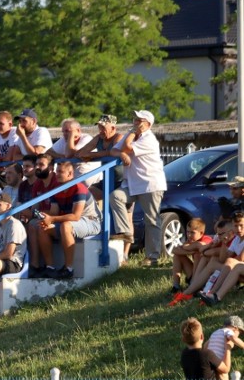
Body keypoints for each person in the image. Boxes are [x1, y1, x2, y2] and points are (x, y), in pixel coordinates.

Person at [110, 110, 167, 265]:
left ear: (148, 124)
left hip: (150, 184)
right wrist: (122, 155)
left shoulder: (149, 139)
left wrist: (127, 143)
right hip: (133, 184)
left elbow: (127, 147)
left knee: (152, 220)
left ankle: (152, 257)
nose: (135, 122)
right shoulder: (133, 135)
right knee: (116, 196)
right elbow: (114, 150)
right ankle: (125, 232)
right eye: (134, 119)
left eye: (139, 120)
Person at [33, 161, 101, 279]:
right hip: (72, 222)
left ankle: (68, 268)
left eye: (61, 172)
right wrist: (46, 217)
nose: (57, 174)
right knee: (42, 227)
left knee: (66, 226)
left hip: (91, 221)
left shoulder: (79, 188)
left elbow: (76, 216)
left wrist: (52, 218)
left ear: (70, 174)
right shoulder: (57, 189)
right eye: (56, 171)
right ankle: (50, 267)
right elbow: (54, 213)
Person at [202, 315, 244, 380]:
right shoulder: (228, 332)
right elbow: (233, 338)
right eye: (240, 332)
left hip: (211, 362)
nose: (239, 334)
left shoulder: (215, 333)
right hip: (220, 363)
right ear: (235, 328)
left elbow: (205, 345)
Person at [170, 218, 212, 293]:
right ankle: (176, 286)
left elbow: (200, 245)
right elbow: (174, 250)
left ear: (201, 233)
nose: (189, 235)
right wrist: (190, 252)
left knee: (197, 255)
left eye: (192, 233)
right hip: (194, 272)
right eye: (187, 232)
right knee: (177, 255)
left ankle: (194, 283)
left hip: (206, 276)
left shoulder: (206, 239)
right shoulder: (190, 241)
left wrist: (188, 247)